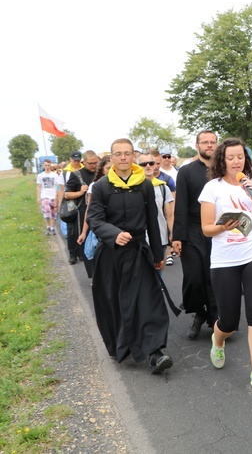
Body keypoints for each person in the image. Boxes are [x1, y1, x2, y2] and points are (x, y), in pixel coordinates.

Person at [86, 139, 172, 374]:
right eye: (118, 154)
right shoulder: (102, 187)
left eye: (127, 154)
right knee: (116, 303)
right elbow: (94, 219)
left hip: (138, 252)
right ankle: (120, 346)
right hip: (110, 255)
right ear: (111, 158)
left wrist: (158, 253)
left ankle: (155, 353)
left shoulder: (145, 186)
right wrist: (113, 234)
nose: (123, 158)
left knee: (150, 301)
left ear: (133, 156)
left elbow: (153, 222)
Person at [198, 138, 252, 394]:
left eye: (240, 156)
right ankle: (218, 339)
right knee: (229, 321)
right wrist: (223, 226)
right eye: (230, 157)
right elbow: (207, 229)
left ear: (246, 159)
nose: (236, 161)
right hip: (224, 260)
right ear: (222, 160)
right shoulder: (212, 188)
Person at [172, 131, 218, 339]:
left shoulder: (224, 171)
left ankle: (217, 318)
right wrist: (177, 237)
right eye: (205, 142)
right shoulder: (186, 171)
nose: (209, 145)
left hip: (220, 230)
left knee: (216, 277)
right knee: (194, 277)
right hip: (192, 229)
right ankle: (199, 313)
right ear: (197, 145)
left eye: (212, 142)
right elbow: (180, 206)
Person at [62, 150, 99, 268]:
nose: (93, 165)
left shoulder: (101, 173)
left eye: (95, 163)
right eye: (90, 163)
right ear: (84, 162)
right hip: (81, 212)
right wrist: (81, 192)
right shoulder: (76, 174)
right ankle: (74, 255)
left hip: (99, 211)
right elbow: (67, 195)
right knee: (79, 238)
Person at [138, 153, 175, 271]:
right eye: (144, 164)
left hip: (160, 239)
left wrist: (173, 235)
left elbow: (169, 216)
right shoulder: (133, 187)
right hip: (140, 240)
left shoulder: (163, 187)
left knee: (158, 275)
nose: (148, 166)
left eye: (151, 163)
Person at [37, 160, 58, 235]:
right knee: (47, 210)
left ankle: (52, 228)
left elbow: (57, 186)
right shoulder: (40, 176)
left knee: (54, 213)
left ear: (50, 166)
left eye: (48, 165)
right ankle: (48, 226)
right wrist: (38, 197)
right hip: (45, 196)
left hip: (53, 195)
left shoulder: (55, 175)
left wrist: (57, 196)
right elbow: (39, 186)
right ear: (43, 166)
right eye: (46, 165)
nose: (47, 167)